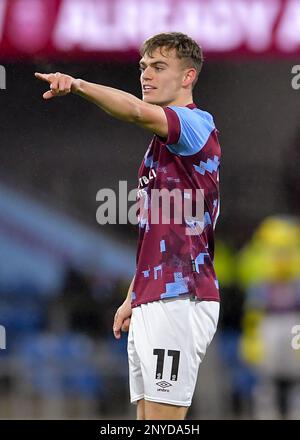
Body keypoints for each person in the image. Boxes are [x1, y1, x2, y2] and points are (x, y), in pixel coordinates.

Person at [35, 32, 221, 420]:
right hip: (158, 297)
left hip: (180, 299)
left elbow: (135, 111)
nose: (146, 75)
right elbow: (163, 234)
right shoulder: (159, 149)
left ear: (188, 76)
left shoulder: (194, 126)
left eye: (158, 67)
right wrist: (134, 295)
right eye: (142, 67)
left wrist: (78, 85)